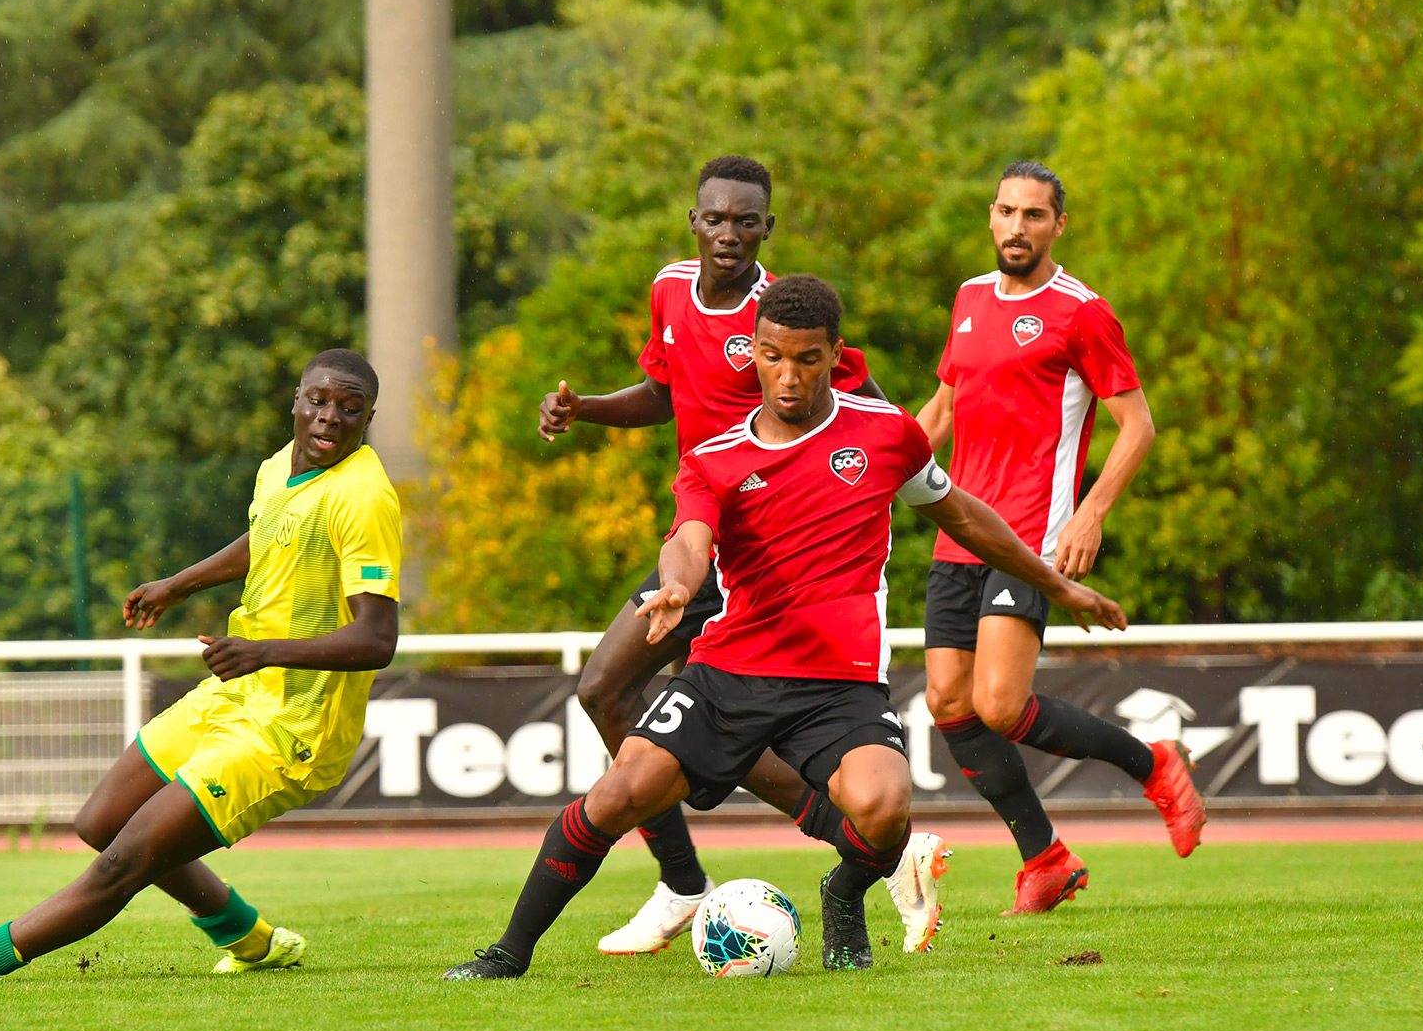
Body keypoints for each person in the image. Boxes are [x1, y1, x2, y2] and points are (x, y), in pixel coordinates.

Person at [446, 275, 1126, 980]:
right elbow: (688, 536)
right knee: (619, 794)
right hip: (729, 675)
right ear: (756, 354)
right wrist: (679, 583)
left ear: (836, 354)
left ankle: (843, 893)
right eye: (771, 356)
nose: (788, 376)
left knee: (884, 805)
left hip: (841, 685)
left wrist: (1057, 583)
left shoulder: (887, 434)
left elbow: (963, 515)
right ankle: (508, 952)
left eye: (806, 358)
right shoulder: (714, 458)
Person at [0, 350, 402, 989]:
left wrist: (263, 651)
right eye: (319, 401)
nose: (330, 418)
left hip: (290, 731)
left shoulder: (364, 496)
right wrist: (180, 585)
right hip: (237, 693)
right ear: (295, 402)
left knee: (120, 866)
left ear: (369, 418)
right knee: (101, 824)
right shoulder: (278, 469)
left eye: (349, 409)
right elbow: (268, 537)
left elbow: (376, 639)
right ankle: (251, 940)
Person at [538, 156, 950, 958]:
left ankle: (754, 868)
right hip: (700, 537)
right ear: (694, 221)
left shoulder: (783, 313)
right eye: (714, 219)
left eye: (744, 221)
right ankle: (693, 879)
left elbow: (851, 401)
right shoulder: (670, 288)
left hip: (764, 555)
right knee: (606, 692)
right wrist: (584, 407)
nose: (727, 233)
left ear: (767, 228)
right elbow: (664, 393)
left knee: (641, 698)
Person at [914, 161, 1203, 916]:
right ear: (990, 216)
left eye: (1034, 215)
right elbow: (941, 410)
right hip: (959, 532)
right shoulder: (971, 299)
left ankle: (1155, 763)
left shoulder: (1081, 312)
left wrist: (1091, 510)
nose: (1017, 227)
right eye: (1007, 212)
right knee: (948, 701)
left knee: (1001, 704)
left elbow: (1138, 425)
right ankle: (1044, 858)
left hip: (1031, 533)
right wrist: (867, 473)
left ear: (1058, 225)